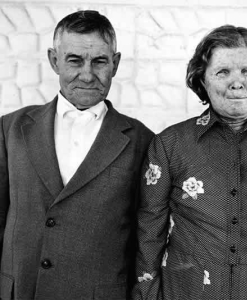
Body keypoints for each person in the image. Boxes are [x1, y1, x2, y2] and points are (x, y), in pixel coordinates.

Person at [132, 25, 247, 300]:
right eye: (223, 72)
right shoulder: (170, 145)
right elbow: (149, 233)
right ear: (203, 80)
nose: (237, 82)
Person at [0, 10, 153, 300]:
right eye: (74, 60)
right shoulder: (10, 129)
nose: (87, 74)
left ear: (116, 64)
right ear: (53, 60)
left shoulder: (143, 141)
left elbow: (144, 238)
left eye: (99, 61)